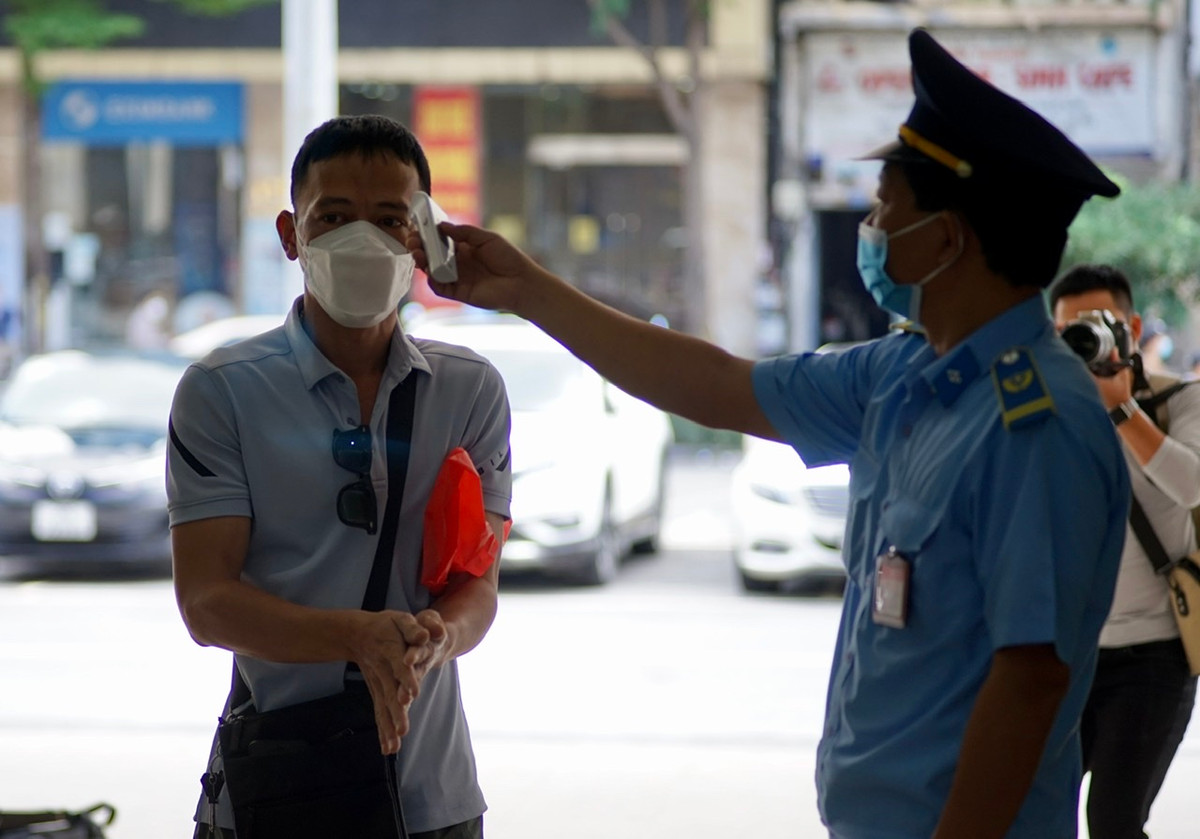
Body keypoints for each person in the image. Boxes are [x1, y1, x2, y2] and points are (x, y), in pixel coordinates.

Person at [407, 28, 1130, 839]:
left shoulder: (1035, 424)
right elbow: (717, 385)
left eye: (886, 205)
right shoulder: (900, 378)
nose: (873, 228)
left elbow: (1029, 678)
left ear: (949, 237)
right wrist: (530, 291)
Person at [167, 114, 512, 839]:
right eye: (334, 217)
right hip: (277, 787)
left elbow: (477, 583)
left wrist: (438, 637)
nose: (363, 239)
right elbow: (207, 602)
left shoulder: (470, 390)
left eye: (390, 217)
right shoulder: (221, 390)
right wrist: (355, 636)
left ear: (421, 236)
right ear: (292, 235)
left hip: (434, 799)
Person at [1049, 264, 1200, 839]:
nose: (1087, 341)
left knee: (1113, 821)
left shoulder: (1178, 401)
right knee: (1036, 811)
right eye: (1071, 331)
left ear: (1132, 327)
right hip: (1066, 655)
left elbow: (1190, 485)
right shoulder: (1049, 414)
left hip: (1154, 659)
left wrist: (1121, 406)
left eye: (1101, 324)